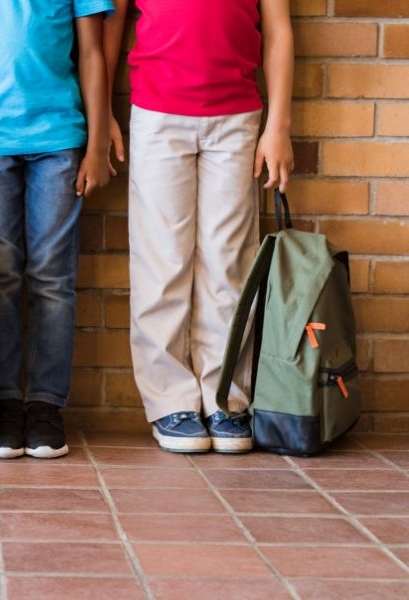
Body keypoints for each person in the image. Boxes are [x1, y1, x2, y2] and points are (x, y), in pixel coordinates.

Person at [104, 0, 294, 453]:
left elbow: (279, 29)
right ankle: (170, 399)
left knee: (228, 262)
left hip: (236, 118)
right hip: (157, 115)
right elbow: (111, 22)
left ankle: (225, 396)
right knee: (162, 261)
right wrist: (104, 113)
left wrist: (279, 126)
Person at [0, 1, 115, 459]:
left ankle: (44, 405)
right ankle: (4, 404)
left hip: (59, 142)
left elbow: (92, 53)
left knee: (53, 278)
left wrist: (97, 145)